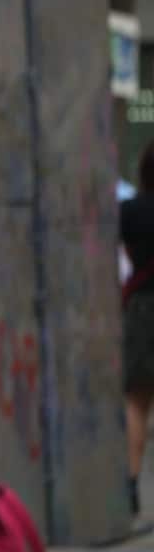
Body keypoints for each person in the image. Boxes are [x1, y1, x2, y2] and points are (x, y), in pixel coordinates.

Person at [120, 141, 154, 516]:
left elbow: (125, 256)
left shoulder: (129, 211)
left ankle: (131, 481)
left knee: (137, 402)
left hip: (141, 309)